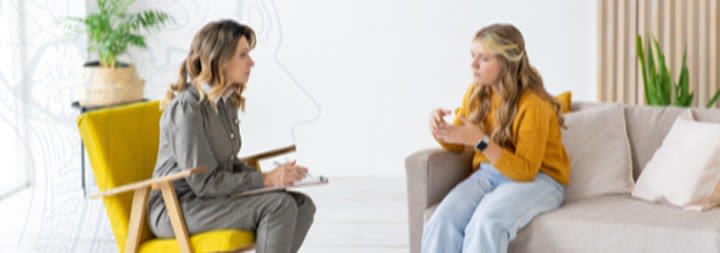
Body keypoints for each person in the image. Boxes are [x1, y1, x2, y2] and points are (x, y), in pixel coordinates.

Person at [147, 19, 315, 253]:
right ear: (221, 59)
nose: (251, 63)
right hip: (177, 207)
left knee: (303, 205)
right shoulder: (187, 108)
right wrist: (265, 180)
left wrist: (277, 177)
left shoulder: (224, 102)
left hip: (206, 201)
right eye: (243, 55)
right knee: (278, 206)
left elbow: (229, 165)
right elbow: (204, 184)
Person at [422, 23, 570, 253]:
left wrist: (481, 141)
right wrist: (441, 129)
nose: (473, 65)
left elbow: (526, 170)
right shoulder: (477, 93)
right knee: (442, 220)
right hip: (490, 174)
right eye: (472, 56)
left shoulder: (534, 105)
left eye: (484, 59)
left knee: (487, 221)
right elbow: (459, 141)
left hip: (540, 181)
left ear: (506, 62)